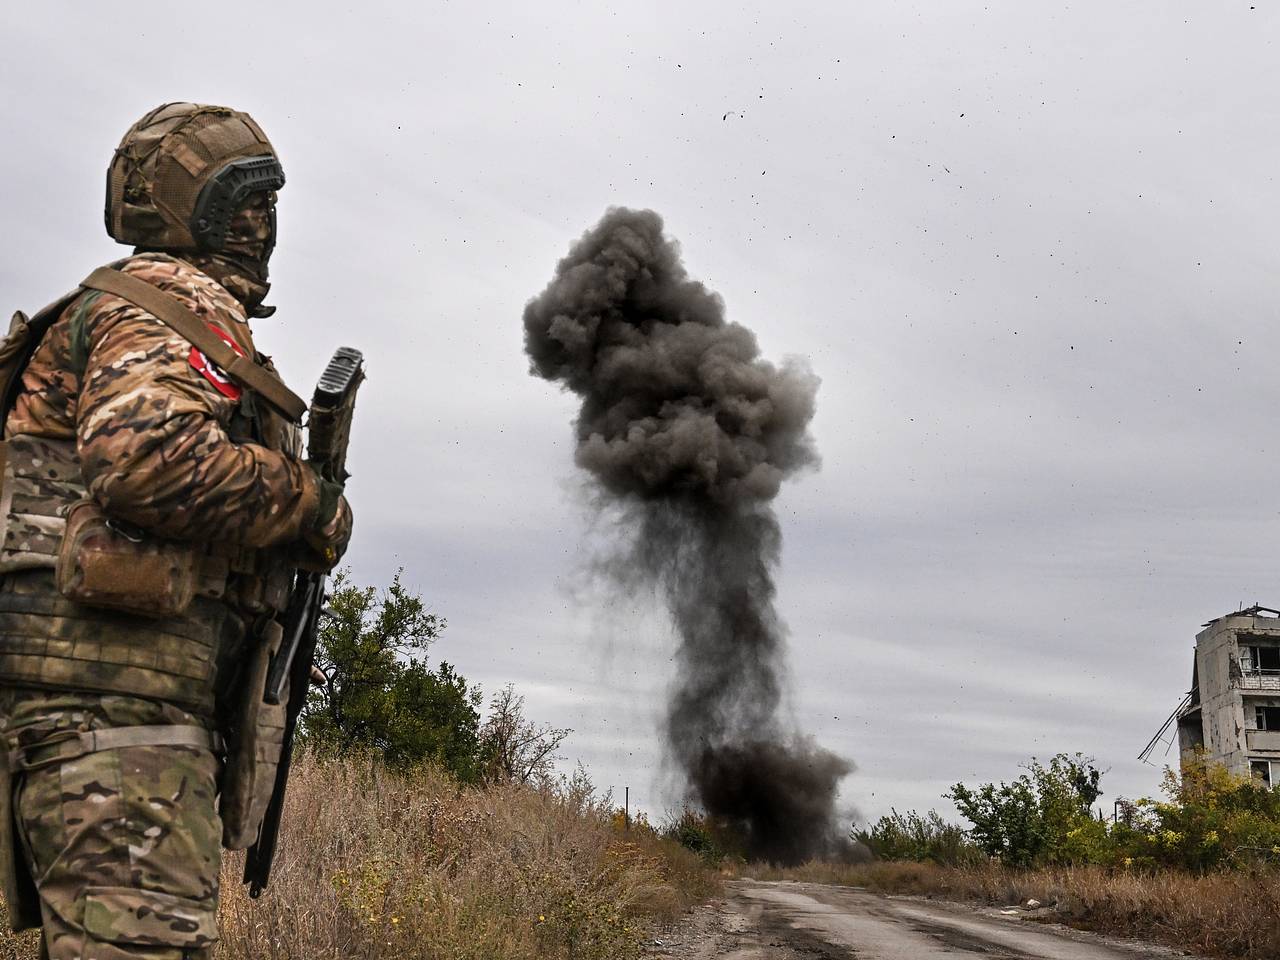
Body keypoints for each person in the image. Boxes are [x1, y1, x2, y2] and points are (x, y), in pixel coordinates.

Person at [0, 102, 351, 959]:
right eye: (243, 202)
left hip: (110, 712)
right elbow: (148, 460)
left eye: (270, 203)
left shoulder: (146, 307)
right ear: (187, 208)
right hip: (111, 717)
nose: (264, 226)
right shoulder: (166, 301)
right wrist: (311, 505)